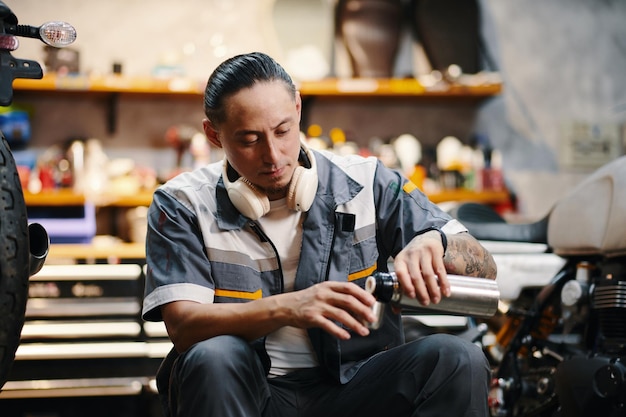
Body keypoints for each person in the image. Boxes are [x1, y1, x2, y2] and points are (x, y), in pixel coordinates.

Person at [142, 51, 498, 417]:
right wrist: (289, 307)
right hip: (250, 392)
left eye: (283, 131)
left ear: (297, 109)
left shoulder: (367, 182)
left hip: (358, 387)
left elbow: (485, 266)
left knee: (457, 359)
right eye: (249, 139)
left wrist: (434, 242)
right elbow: (184, 327)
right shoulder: (181, 203)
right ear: (213, 135)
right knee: (213, 356)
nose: (273, 155)